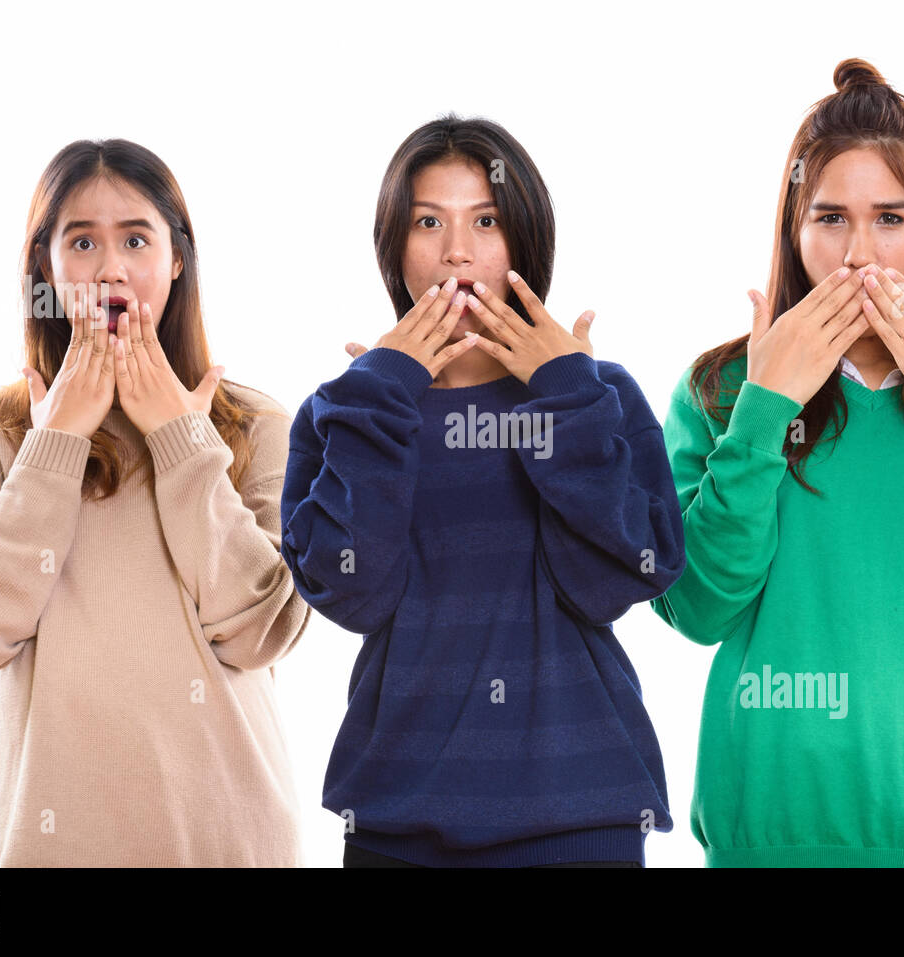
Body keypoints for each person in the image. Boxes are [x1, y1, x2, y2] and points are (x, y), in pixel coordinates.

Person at [651, 59, 904, 867]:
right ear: (794, 231)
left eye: (890, 218)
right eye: (829, 218)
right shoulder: (718, 391)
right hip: (773, 839)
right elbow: (698, 604)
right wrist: (766, 406)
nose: (858, 253)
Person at [280, 114, 684, 867]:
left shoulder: (596, 394)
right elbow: (352, 593)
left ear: (524, 239)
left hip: (581, 815)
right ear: (394, 246)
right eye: (428, 220)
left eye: (486, 220)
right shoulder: (346, 408)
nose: (456, 250)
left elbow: (620, 578)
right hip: (397, 823)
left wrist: (564, 394)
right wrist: (381, 400)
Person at [0, 139, 311, 866]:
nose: (110, 268)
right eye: (82, 241)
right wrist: (56, 442)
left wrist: (182, 440)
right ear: (45, 266)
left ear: (177, 258)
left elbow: (264, 629)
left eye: (136, 237)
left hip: (235, 846)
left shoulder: (258, 425)